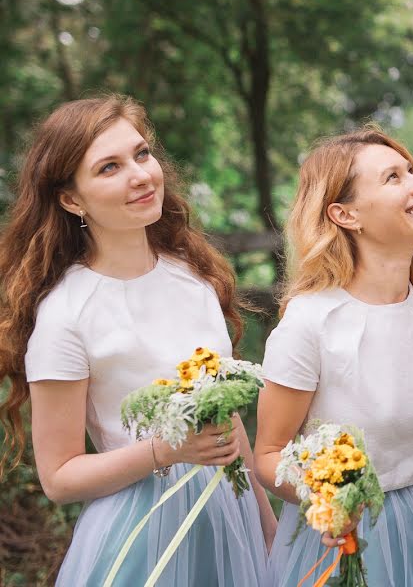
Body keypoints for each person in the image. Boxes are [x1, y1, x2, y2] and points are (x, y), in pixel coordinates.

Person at [0, 95, 274, 586]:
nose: (141, 175)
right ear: (71, 199)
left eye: (141, 154)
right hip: (140, 536)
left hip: (228, 522)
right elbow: (59, 478)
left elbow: (226, 416)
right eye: (109, 167)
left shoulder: (194, 279)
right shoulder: (66, 314)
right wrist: (164, 451)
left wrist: (266, 526)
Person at [254, 128, 413, 586]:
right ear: (345, 214)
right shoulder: (311, 322)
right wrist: (326, 501)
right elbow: (269, 454)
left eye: (412, 172)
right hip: (343, 543)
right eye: (393, 178)